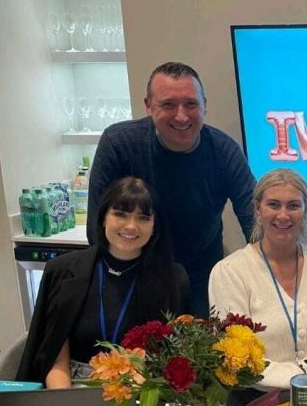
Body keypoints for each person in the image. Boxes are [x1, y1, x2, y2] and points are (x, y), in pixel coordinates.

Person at [86, 61, 256, 317]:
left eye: (191, 104)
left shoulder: (224, 151)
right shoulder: (118, 144)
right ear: (148, 106)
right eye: (168, 104)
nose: (181, 115)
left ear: (205, 105)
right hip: (133, 275)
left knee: (202, 355)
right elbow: (96, 229)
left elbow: (255, 223)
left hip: (201, 278)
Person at [18, 177, 190, 388]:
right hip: (71, 391)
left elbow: (173, 364)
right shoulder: (62, 272)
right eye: (120, 214)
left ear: (154, 226)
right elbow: (56, 363)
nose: (131, 226)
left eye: (143, 217)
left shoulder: (172, 279)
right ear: (103, 218)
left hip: (142, 394)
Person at [209, 169, 307, 395]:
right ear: (257, 210)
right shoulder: (229, 272)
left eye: (293, 206)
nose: (283, 215)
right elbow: (236, 359)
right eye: (273, 204)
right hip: (260, 400)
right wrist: (303, 376)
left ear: (305, 211)